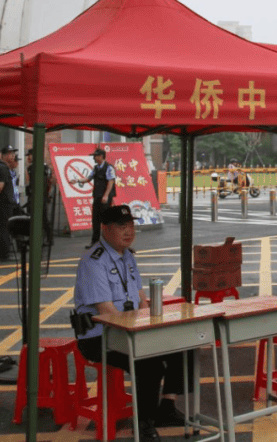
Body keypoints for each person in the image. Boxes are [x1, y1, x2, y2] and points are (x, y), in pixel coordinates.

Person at [72, 205, 184, 441]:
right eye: (122, 227)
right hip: (100, 337)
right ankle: (143, 423)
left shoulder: (128, 256)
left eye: (131, 226)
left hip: (129, 331)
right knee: (149, 363)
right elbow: (108, 312)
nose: (128, 231)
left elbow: (141, 299)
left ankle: (167, 406)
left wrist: (152, 328)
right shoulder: (93, 262)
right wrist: (142, 335)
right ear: (105, 229)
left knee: (181, 344)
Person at [83, 148, 117, 247]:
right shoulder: (95, 168)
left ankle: (109, 243)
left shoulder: (109, 167)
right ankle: (95, 242)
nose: (94, 158)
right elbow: (88, 178)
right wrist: (77, 180)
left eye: (95, 156)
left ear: (101, 156)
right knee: (95, 219)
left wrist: (106, 195)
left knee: (106, 220)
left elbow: (111, 182)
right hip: (97, 196)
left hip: (105, 198)